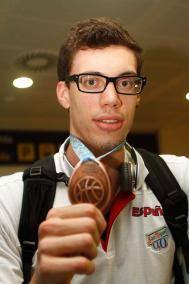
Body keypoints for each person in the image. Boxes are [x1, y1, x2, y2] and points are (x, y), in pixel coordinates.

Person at [0, 17, 188, 284]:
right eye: (90, 81)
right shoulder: (9, 202)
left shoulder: (179, 181)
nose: (112, 99)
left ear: (137, 94)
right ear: (64, 93)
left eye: (125, 83)